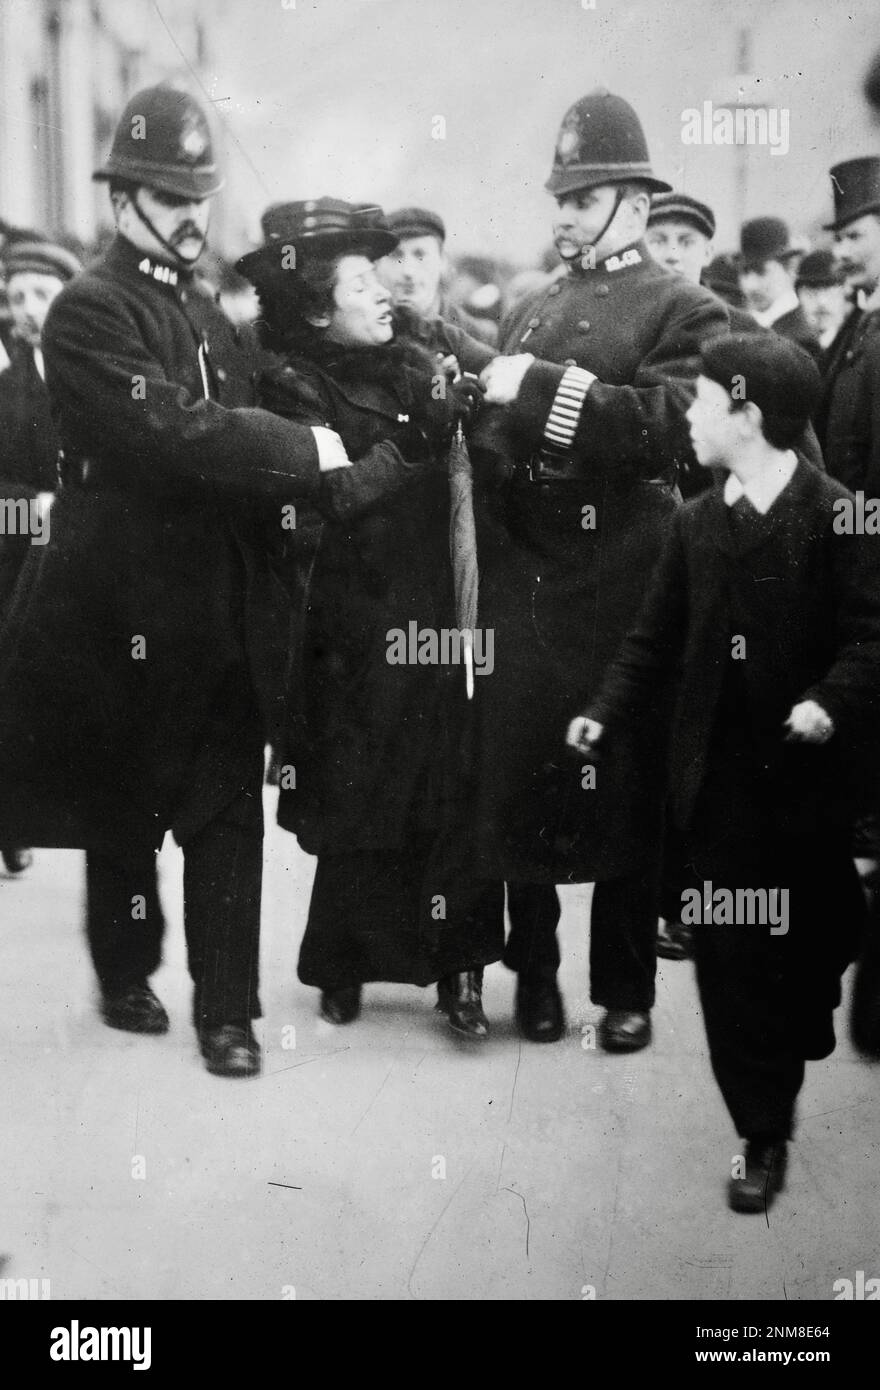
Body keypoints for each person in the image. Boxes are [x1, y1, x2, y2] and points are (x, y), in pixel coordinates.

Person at [0, 86, 418, 1078]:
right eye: (167, 193)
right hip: (121, 607)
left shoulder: (203, 312)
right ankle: (126, 973)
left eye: (199, 194)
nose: (191, 213)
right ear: (121, 200)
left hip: (219, 609)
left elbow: (248, 403)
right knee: (125, 809)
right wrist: (302, 443)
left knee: (225, 806)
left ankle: (226, 1010)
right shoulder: (91, 310)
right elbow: (174, 429)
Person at [568, 334, 880, 1212]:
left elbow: (873, 636)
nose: (690, 417)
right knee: (733, 963)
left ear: (746, 415)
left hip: (811, 792)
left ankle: (801, 1010)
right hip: (718, 791)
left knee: (811, 947)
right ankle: (762, 1131)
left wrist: (831, 699)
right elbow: (654, 637)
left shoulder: (841, 515)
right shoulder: (694, 521)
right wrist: (606, 708)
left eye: (702, 401)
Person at [469, 88, 729, 1050]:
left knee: (623, 781)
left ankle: (626, 992)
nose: (565, 215)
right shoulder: (535, 306)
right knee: (528, 772)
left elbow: (673, 431)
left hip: (626, 574)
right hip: (530, 576)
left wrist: (531, 388)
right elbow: (499, 432)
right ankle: (535, 976)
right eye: (562, 199)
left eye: (583, 199)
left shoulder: (686, 307)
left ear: (633, 199)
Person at [237, 199, 504, 1037]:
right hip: (346, 629)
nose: (384, 291)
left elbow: (494, 405)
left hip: (428, 616)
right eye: (361, 281)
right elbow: (326, 500)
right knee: (360, 794)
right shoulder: (288, 384)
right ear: (317, 305)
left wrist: (468, 410)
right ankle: (345, 964)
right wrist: (414, 444)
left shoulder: (414, 355)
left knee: (450, 788)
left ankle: (460, 972)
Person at [0, 238, 82, 876]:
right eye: (16, 297)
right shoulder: (5, 390)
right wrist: (35, 507)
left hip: (94, 560)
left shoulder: (97, 376)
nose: (29, 309)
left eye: (42, 294)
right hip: (18, 565)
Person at [378, 207, 496, 345]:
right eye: (395, 255)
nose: (408, 271)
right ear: (378, 264)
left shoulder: (482, 337)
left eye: (420, 255)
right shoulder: (367, 337)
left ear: (443, 261)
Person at [737, 218, 819, 359]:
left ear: (790, 267)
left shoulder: (802, 340)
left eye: (761, 271)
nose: (750, 285)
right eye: (744, 272)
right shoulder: (740, 328)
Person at [795, 249, 848, 352]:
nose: (821, 302)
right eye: (811, 292)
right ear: (798, 296)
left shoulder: (859, 345)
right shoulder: (787, 346)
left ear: (846, 293)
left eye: (830, 291)